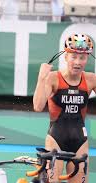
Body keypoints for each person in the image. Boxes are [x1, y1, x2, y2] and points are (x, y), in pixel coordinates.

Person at [33, 34, 95, 183]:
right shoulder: (53, 78)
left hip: (80, 142)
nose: (78, 62)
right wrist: (41, 79)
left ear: (87, 58)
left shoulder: (91, 79)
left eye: (82, 58)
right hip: (56, 140)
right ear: (66, 56)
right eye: (73, 57)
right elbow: (38, 106)